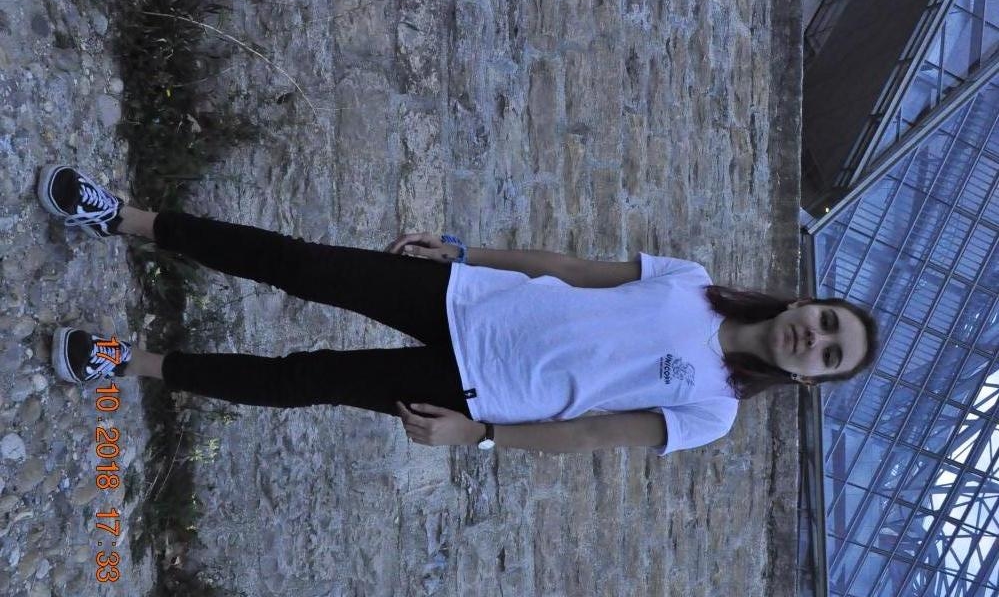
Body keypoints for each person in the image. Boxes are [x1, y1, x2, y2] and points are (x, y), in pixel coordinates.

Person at [38, 164, 879, 455]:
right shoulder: (691, 279)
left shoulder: (712, 412)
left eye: (827, 354)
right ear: (808, 302)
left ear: (808, 378)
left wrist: (478, 436)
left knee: (305, 380)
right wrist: (466, 253)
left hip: (474, 389)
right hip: (467, 300)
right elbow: (569, 269)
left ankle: (128, 363)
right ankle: (124, 217)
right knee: (298, 263)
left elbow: (590, 435)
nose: (814, 339)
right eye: (827, 323)